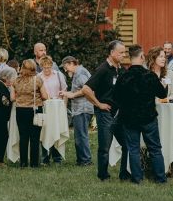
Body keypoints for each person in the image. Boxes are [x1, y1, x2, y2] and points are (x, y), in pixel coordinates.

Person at [113, 45, 167, 184]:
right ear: (142, 57)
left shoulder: (123, 76)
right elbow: (162, 94)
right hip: (148, 117)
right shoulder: (149, 75)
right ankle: (160, 179)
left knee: (133, 149)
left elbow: (116, 98)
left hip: (129, 119)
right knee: (155, 149)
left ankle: (137, 179)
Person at [81, 40, 129, 181]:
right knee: (104, 148)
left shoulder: (120, 69)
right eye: (120, 53)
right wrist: (99, 104)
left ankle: (124, 174)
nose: (123, 55)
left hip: (119, 114)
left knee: (127, 144)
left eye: (124, 52)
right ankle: (103, 176)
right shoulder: (103, 69)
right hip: (105, 114)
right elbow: (86, 89)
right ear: (112, 53)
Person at [13, 59, 50, 169]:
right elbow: (44, 96)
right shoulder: (37, 80)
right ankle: (34, 164)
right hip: (34, 110)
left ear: (23, 68)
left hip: (20, 110)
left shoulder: (16, 80)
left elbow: (12, 97)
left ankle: (23, 163)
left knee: (23, 137)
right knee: (35, 137)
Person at [61, 56, 93, 167]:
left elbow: (86, 89)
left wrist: (72, 94)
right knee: (79, 135)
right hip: (80, 108)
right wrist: (67, 93)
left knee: (81, 135)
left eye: (66, 67)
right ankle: (81, 160)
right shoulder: (78, 73)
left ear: (71, 63)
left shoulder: (80, 73)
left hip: (83, 109)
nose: (65, 70)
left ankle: (86, 160)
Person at [37, 55, 67, 164]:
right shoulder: (38, 77)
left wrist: (64, 106)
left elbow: (64, 92)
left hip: (58, 108)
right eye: (44, 67)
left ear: (52, 66)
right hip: (45, 108)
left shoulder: (59, 75)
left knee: (57, 130)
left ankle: (57, 158)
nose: (47, 70)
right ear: (41, 67)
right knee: (45, 132)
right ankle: (45, 158)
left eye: (49, 67)